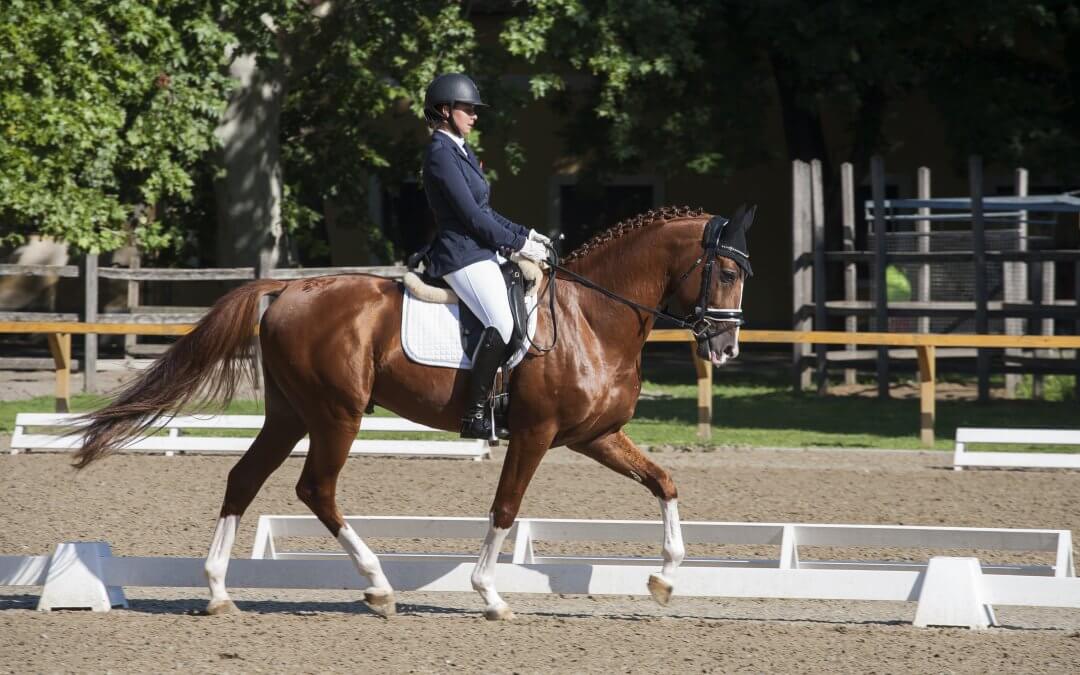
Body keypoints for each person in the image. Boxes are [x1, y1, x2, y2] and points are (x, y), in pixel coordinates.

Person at [421, 73, 550, 439]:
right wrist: (516, 245)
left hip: (479, 251)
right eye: (468, 109)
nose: (475, 116)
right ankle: (475, 414)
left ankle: (504, 398)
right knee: (503, 322)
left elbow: (486, 210)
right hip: (460, 255)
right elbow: (471, 218)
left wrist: (526, 234)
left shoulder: (460, 149)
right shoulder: (439, 153)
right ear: (445, 110)